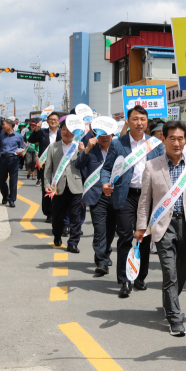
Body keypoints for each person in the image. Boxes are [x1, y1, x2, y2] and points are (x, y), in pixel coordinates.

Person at [135, 121, 186, 337]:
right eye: (172, 138)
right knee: (169, 272)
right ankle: (175, 318)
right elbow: (144, 200)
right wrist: (141, 227)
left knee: (184, 270)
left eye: (181, 138)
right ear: (164, 139)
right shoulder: (152, 166)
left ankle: (169, 300)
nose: (177, 142)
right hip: (163, 226)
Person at [100, 105, 165, 298]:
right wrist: (105, 183)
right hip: (125, 195)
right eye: (135, 119)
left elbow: (163, 169)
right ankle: (124, 280)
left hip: (148, 196)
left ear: (147, 123)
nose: (139, 123)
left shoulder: (155, 144)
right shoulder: (118, 143)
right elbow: (107, 168)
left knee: (144, 238)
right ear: (128, 121)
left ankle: (140, 276)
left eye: (143, 120)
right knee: (126, 237)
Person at [75, 129, 115, 275]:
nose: (105, 137)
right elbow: (78, 165)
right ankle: (101, 262)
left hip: (115, 194)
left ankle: (106, 252)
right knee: (99, 229)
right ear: (95, 136)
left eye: (108, 134)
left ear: (112, 135)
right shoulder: (91, 150)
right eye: (101, 135)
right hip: (97, 195)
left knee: (111, 229)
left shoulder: (118, 149)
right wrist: (86, 149)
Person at [44, 123, 83, 253]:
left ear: (75, 132)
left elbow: (84, 165)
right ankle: (57, 234)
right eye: (64, 129)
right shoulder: (53, 147)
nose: (66, 132)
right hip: (57, 187)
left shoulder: (79, 147)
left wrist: (84, 153)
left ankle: (73, 243)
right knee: (57, 215)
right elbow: (48, 168)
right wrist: (47, 185)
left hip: (75, 186)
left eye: (70, 130)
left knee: (75, 216)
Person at [29, 113, 62, 222]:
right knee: (46, 189)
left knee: (60, 189)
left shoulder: (63, 133)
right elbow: (32, 140)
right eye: (51, 119)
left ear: (58, 121)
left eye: (55, 119)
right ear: (47, 121)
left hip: (60, 165)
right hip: (45, 165)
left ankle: (59, 212)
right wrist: (36, 130)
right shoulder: (42, 132)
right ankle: (49, 213)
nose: (53, 121)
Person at [0, 118, 25, 207]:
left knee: (13, 181)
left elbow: (22, 147)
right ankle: (5, 196)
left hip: (14, 159)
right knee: (2, 180)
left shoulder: (19, 136)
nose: (2, 126)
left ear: (9, 125)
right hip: (3, 159)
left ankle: (12, 199)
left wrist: (21, 151)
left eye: (4, 124)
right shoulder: (1, 136)